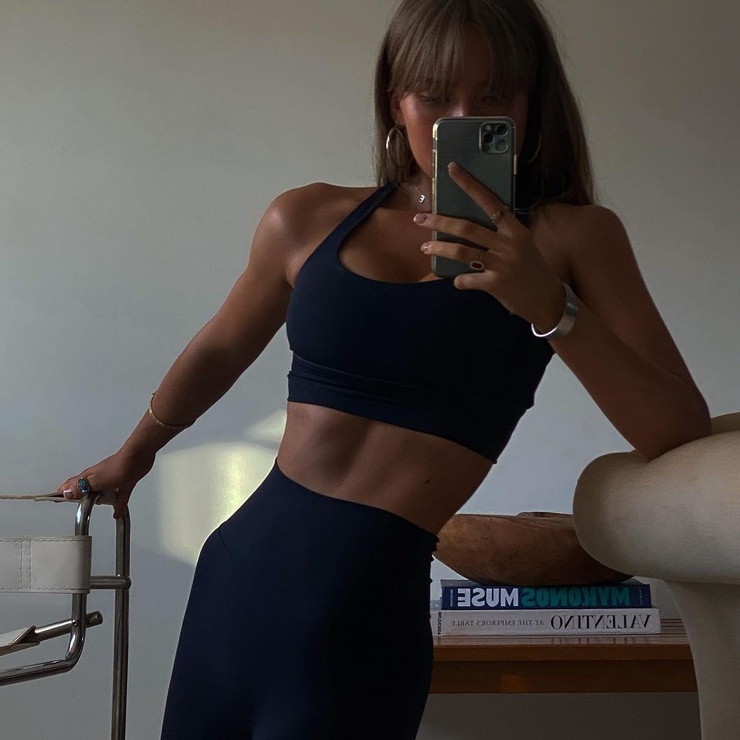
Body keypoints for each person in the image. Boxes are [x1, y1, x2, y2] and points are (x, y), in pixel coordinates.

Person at [58, 0, 711, 737]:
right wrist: (134, 455)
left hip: (363, 609)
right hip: (237, 580)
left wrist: (550, 307)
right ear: (394, 101)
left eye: (493, 96)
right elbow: (219, 349)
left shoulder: (573, 238)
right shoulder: (305, 218)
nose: (460, 118)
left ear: (533, 105)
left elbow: (676, 430)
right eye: (434, 95)